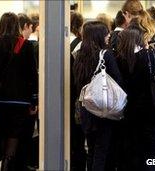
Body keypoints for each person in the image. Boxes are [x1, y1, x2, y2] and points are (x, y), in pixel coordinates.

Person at [117, 18, 155, 171]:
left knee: (134, 152)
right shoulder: (148, 56)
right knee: (152, 153)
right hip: (152, 110)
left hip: (130, 112)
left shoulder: (120, 59)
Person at [0, 12, 38, 171]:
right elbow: (32, 75)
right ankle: (7, 165)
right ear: (17, 25)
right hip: (19, 100)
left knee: (1, 133)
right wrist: (34, 100)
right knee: (14, 136)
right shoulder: (26, 45)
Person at [73, 21, 123, 171]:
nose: (109, 35)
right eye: (106, 33)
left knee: (92, 149)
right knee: (102, 150)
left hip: (86, 108)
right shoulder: (105, 54)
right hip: (103, 108)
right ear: (98, 35)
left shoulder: (79, 56)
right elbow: (117, 80)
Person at [70, 11, 86, 171]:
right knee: (77, 139)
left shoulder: (60, 42)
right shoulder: (80, 44)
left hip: (61, 95)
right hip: (76, 95)